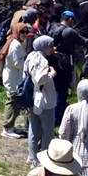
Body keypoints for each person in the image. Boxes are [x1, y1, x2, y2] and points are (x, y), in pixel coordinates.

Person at [49, 11, 88, 114]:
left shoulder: (52, 26)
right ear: (70, 19)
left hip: (52, 62)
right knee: (62, 91)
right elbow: (84, 41)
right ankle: (57, 116)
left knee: (54, 89)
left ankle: (54, 112)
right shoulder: (69, 32)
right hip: (64, 64)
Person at [23, 36, 58, 166]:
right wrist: (52, 73)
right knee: (48, 132)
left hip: (32, 99)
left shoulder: (30, 57)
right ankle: (44, 159)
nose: (52, 48)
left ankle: (32, 157)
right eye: (50, 45)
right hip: (45, 101)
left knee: (33, 129)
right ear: (43, 45)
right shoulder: (42, 60)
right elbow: (40, 79)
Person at [0, 21, 32, 139]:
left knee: (17, 103)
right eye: (22, 32)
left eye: (26, 32)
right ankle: (7, 128)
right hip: (12, 78)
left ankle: (11, 125)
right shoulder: (15, 45)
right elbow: (16, 63)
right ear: (16, 32)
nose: (25, 34)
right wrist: (27, 61)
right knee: (12, 103)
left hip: (16, 77)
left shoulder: (18, 43)